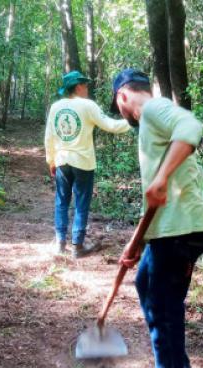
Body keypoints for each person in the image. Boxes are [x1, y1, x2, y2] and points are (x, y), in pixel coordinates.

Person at [111, 69, 203, 368]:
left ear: (123, 96)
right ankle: (178, 367)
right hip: (169, 229)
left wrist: (162, 175)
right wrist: (137, 242)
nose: (121, 114)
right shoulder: (151, 126)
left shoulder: (153, 110)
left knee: (163, 305)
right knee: (147, 285)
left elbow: (191, 126)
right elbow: (154, 199)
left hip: (182, 230)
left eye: (117, 105)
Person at [44, 71, 132, 258]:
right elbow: (110, 125)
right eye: (84, 85)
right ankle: (77, 245)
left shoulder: (55, 107)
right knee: (81, 203)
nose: (86, 88)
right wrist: (133, 120)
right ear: (78, 87)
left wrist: (51, 160)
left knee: (61, 202)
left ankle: (60, 243)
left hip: (62, 160)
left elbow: (49, 136)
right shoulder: (87, 105)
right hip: (83, 161)